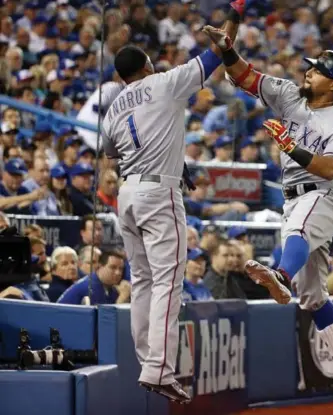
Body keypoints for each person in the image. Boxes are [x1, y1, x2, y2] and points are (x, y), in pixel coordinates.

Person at [201, 24, 333, 402]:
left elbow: (328, 169)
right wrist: (228, 50)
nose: (307, 72)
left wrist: (291, 147)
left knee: (299, 229)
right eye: (310, 67)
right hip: (293, 198)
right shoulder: (290, 95)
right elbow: (245, 77)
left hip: (322, 195)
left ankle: (278, 273)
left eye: (317, 71)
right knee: (311, 296)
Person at [100, 1, 244, 403]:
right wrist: (235, 12)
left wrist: (168, 160)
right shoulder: (164, 82)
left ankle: (149, 360)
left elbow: (113, 153)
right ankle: (160, 367)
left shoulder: (113, 106)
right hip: (158, 194)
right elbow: (219, 49)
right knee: (167, 280)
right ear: (146, 66)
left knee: (144, 279)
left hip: (127, 192)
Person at [57, 250, 130, 305]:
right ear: (100, 267)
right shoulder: (90, 287)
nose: (118, 273)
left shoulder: (112, 288)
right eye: (113, 267)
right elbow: (107, 320)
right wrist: (123, 297)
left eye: (121, 269)